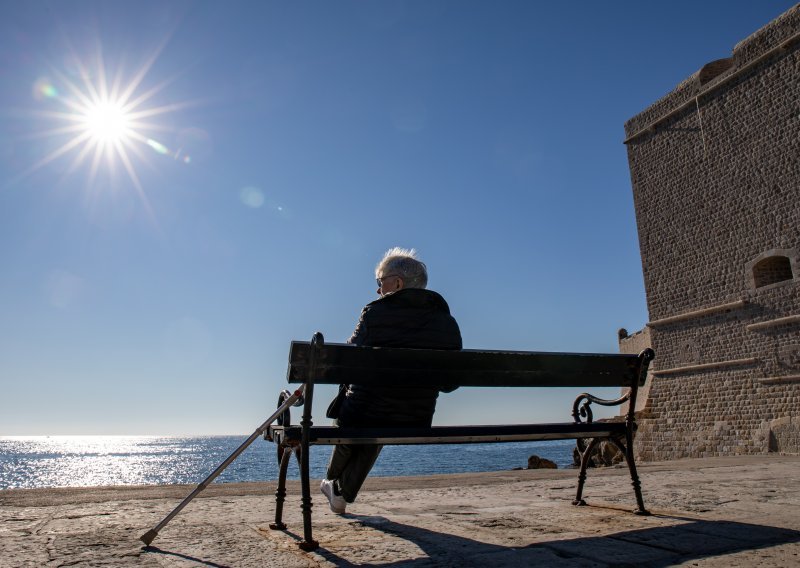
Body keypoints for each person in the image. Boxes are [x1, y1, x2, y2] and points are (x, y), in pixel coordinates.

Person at [320, 247, 462, 514]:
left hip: (363, 413)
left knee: (359, 413)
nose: (377, 290)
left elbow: (344, 363)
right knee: (381, 419)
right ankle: (340, 491)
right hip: (415, 418)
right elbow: (451, 382)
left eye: (380, 282)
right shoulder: (446, 322)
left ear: (397, 283)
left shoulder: (375, 313)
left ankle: (332, 480)